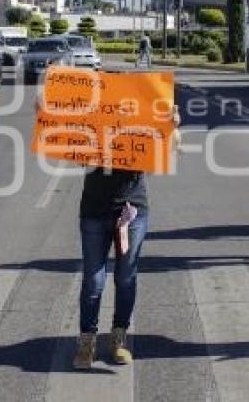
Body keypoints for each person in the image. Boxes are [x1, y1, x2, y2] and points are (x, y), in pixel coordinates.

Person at [72, 106, 180, 370]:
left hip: (132, 212)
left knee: (125, 277)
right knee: (93, 281)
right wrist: (48, 115)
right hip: (94, 212)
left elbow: (166, 152)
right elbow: (73, 151)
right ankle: (87, 340)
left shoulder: (141, 124)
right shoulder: (90, 126)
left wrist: (172, 127)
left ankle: (119, 337)